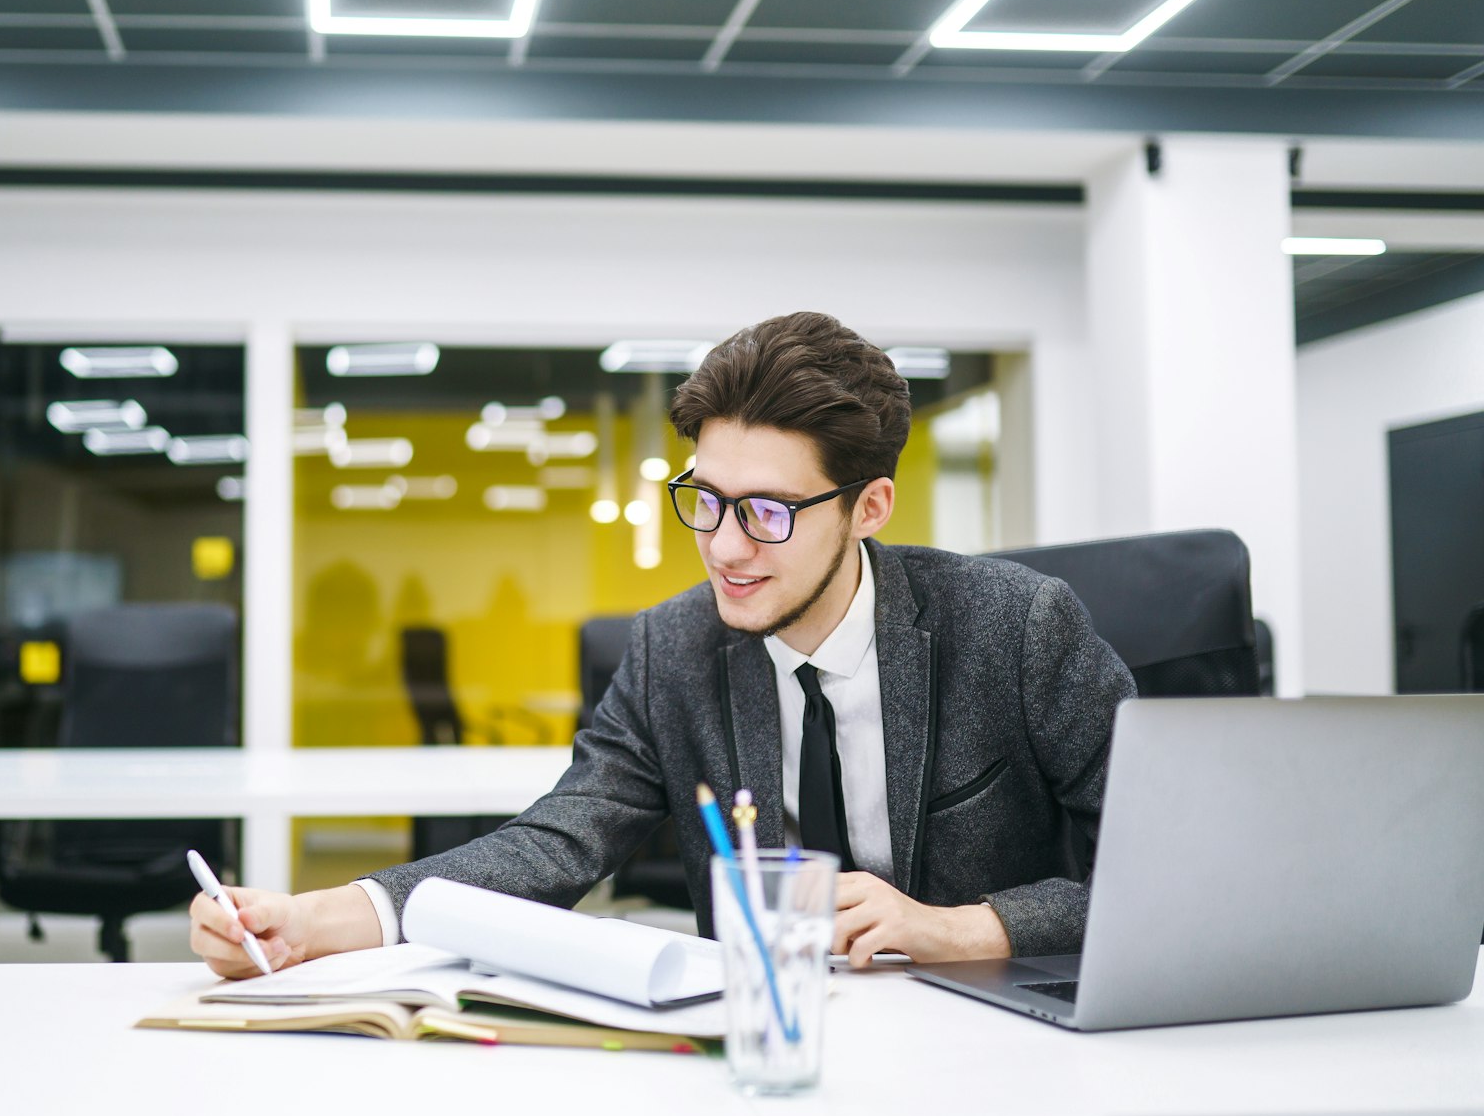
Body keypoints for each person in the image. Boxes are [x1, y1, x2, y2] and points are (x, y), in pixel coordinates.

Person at [192, 312, 1134, 975]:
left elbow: (1154, 867)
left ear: (869, 507)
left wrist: (961, 929)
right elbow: (555, 843)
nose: (724, 548)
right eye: (706, 501)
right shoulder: (672, 651)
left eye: (767, 511)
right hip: (763, 1052)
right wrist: (315, 919)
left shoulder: (1014, 628)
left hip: (999, 1051)